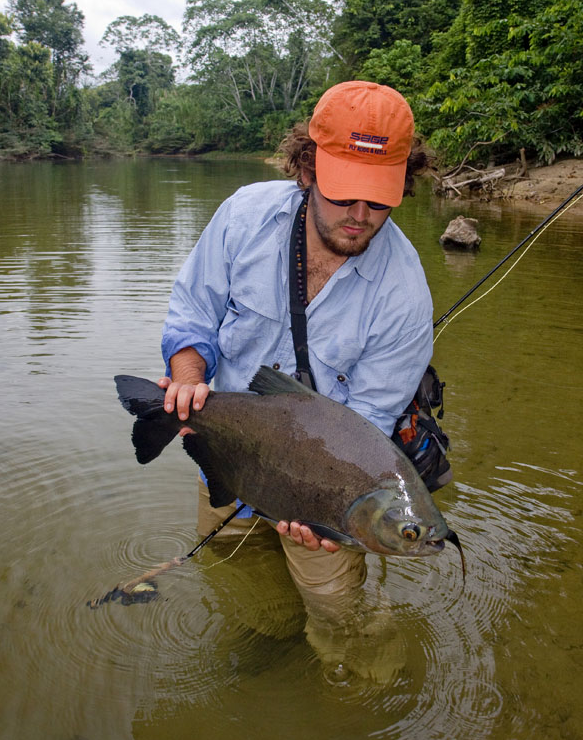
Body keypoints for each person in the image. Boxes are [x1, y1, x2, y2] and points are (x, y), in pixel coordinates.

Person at [159, 80, 433, 605]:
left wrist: (327, 511)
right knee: (236, 593)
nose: (359, 214)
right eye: (343, 190)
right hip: (228, 458)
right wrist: (189, 381)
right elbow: (193, 315)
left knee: (338, 619)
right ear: (307, 169)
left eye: (379, 197)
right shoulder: (244, 218)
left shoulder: (405, 296)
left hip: (326, 496)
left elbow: (367, 426)